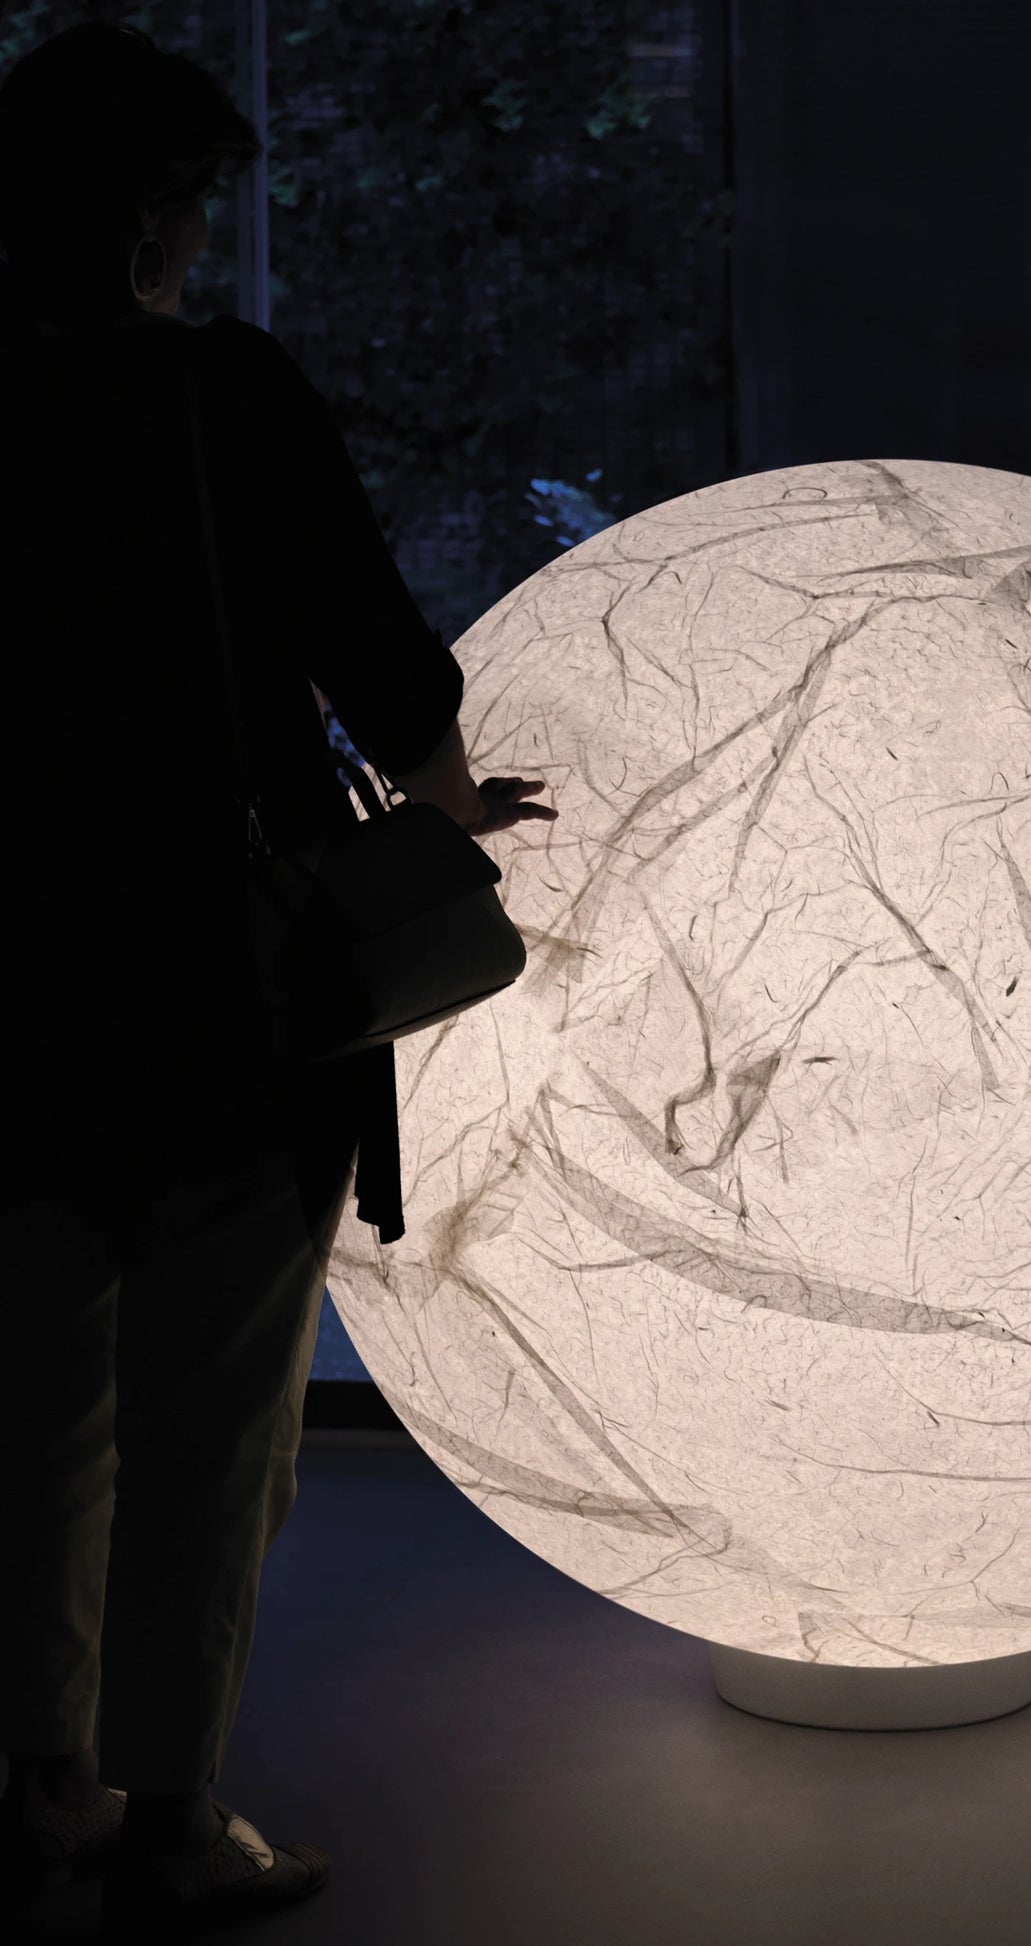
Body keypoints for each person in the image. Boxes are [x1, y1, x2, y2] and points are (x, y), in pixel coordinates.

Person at [0, 21, 554, 1935]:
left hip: (12, 981)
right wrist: (445, 803)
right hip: (215, 982)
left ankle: (35, 1790)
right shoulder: (215, 395)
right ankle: (173, 1818)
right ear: (154, 210)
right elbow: (369, 646)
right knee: (213, 1419)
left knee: (31, 1412)